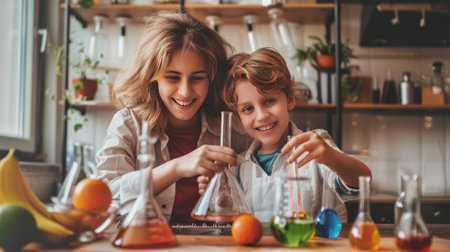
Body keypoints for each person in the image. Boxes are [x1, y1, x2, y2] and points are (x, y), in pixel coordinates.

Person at [95, 13, 252, 224]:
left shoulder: (234, 127)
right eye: (172, 77)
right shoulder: (128, 123)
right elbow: (101, 201)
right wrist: (176, 167)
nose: (185, 91)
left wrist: (227, 194)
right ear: (152, 76)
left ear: (212, 78)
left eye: (197, 78)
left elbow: (266, 183)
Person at [199, 47, 371, 222]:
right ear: (238, 117)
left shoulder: (316, 146)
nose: (262, 116)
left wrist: (330, 157)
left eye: (269, 101)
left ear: (290, 98)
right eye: (248, 109)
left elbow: (361, 183)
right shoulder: (237, 167)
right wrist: (214, 193)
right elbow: (227, 222)